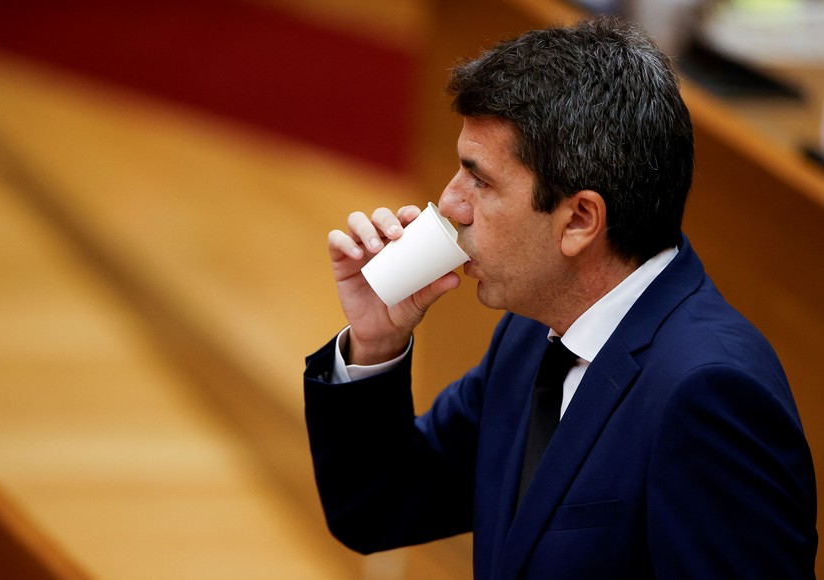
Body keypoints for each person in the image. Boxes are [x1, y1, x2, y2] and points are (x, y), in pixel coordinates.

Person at [303, 16, 817, 579]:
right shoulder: (533, 333)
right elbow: (379, 509)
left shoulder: (711, 395)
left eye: (480, 180)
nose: (449, 203)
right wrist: (376, 342)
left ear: (579, 220)